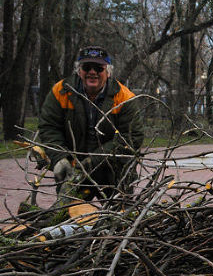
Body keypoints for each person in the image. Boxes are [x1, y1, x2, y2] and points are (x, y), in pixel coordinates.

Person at [38, 46, 143, 199]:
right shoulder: (60, 91)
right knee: (67, 216)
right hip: (73, 171)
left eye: (99, 68)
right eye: (87, 67)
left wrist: (92, 161)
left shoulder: (124, 97)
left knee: (118, 219)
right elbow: (49, 128)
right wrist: (59, 158)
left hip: (114, 172)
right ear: (78, 70)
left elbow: (131, 137)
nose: (92, 72)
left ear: (108, 72)